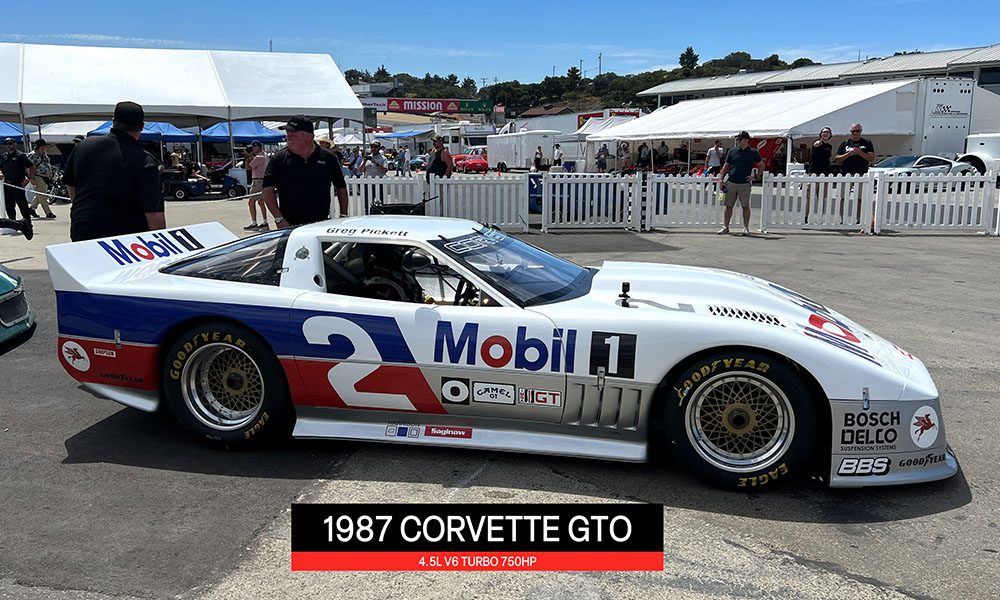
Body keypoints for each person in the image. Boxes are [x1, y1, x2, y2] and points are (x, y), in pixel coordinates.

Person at [64, 101, 164, 241]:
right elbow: (153, 213)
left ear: (113, 122)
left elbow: (71, 184)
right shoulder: (145, 160)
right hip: (124, 238)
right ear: (142, 126)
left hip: (83, 229)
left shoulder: (83, 147)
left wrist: (82, 210)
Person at [263, 115, 348, 225]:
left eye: (293, 135)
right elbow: (267, 190)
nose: (288, 138)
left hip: (320, 224)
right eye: (287, 134)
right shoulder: (279, 158)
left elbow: (341, 187)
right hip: (288, 226)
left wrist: (343, 215)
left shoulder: (328, 157)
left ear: (308, 136)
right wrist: (279, 219)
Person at [716, 131, 764, 236]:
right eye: (737, 139)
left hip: (744, 183)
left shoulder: (753, 152)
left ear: (747, 140)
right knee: (728, 206)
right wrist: (722, 180)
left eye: (740, 139)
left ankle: (746, 228)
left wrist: (756, 177)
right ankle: (725, 227)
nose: (738, 141)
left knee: (745, 206)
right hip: (732, 182)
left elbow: (761, 165)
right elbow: (726, 166)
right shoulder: (732, 151)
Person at [834, 123, 875, 224]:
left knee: (859, 198)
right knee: (843, 198)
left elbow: (871, 158)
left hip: (861, 174)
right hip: (846, 174)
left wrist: (860, 152)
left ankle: (858, 220)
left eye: (857, 131)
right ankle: (843, 220)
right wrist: (849, 154)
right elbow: (837, 159)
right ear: (850, 132)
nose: (855, 133)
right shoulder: (844, 143)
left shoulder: (867, 142)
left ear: (861, 131)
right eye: (853, 131)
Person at [0, 138, 34, 228]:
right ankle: (13, 225)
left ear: (15, 144)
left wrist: (28, 179)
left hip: (18, 184)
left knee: (22, 205)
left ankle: (28, 225)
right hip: (7, 184)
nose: (8, 146)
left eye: (10, 143)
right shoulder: (4, 156)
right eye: (6, 144)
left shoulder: (20, 155)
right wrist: (0, 173)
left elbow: (31, 166)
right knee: (9, 206)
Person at [805, 127, 834, 223]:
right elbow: (815, 145)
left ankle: (820, 219)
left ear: (830, 134)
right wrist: (817, 143)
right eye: (824, 132)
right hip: (813, 172)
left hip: (824, 174)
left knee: (822, 197)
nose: (825, 134)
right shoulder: (817, 143)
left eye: (827, 132)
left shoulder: (829, 146)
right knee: (809, 196)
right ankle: (806, 217)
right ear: (821, 134)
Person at [244, 141, 270, 231]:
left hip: (257, 181)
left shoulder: (258, 157)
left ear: (258, 147)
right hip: (263, 180)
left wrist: (247, 156)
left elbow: (248, 167)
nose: (252, 149)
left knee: (251, 202)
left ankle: (254, 223)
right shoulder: (265, 155)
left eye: (253, 147)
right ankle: (265, 222)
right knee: (261, 202)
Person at [27, 139, 56, 219]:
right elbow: (28, 167)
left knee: (40, 194)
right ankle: (48, 212)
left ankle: (32, 208)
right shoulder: (33, 155)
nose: (46, 148)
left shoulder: (44, 154)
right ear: (40, 147)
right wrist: (31, 179)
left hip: (45, 177)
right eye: (44, 146)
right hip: (37, 176)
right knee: (42, 195)